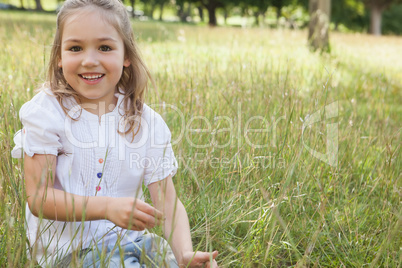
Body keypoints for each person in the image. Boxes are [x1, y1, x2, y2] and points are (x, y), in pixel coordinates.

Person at [11, 0, 218, 267]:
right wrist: (107, 208)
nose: (89, 60)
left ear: (126, 55)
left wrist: (184, 254)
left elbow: (168, 201)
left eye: (105, 47)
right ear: (60, 57)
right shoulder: (47, 113)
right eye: (75, 48)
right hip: (69, 254)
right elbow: (39, 198)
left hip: (131, 244)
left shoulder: (146, 122)